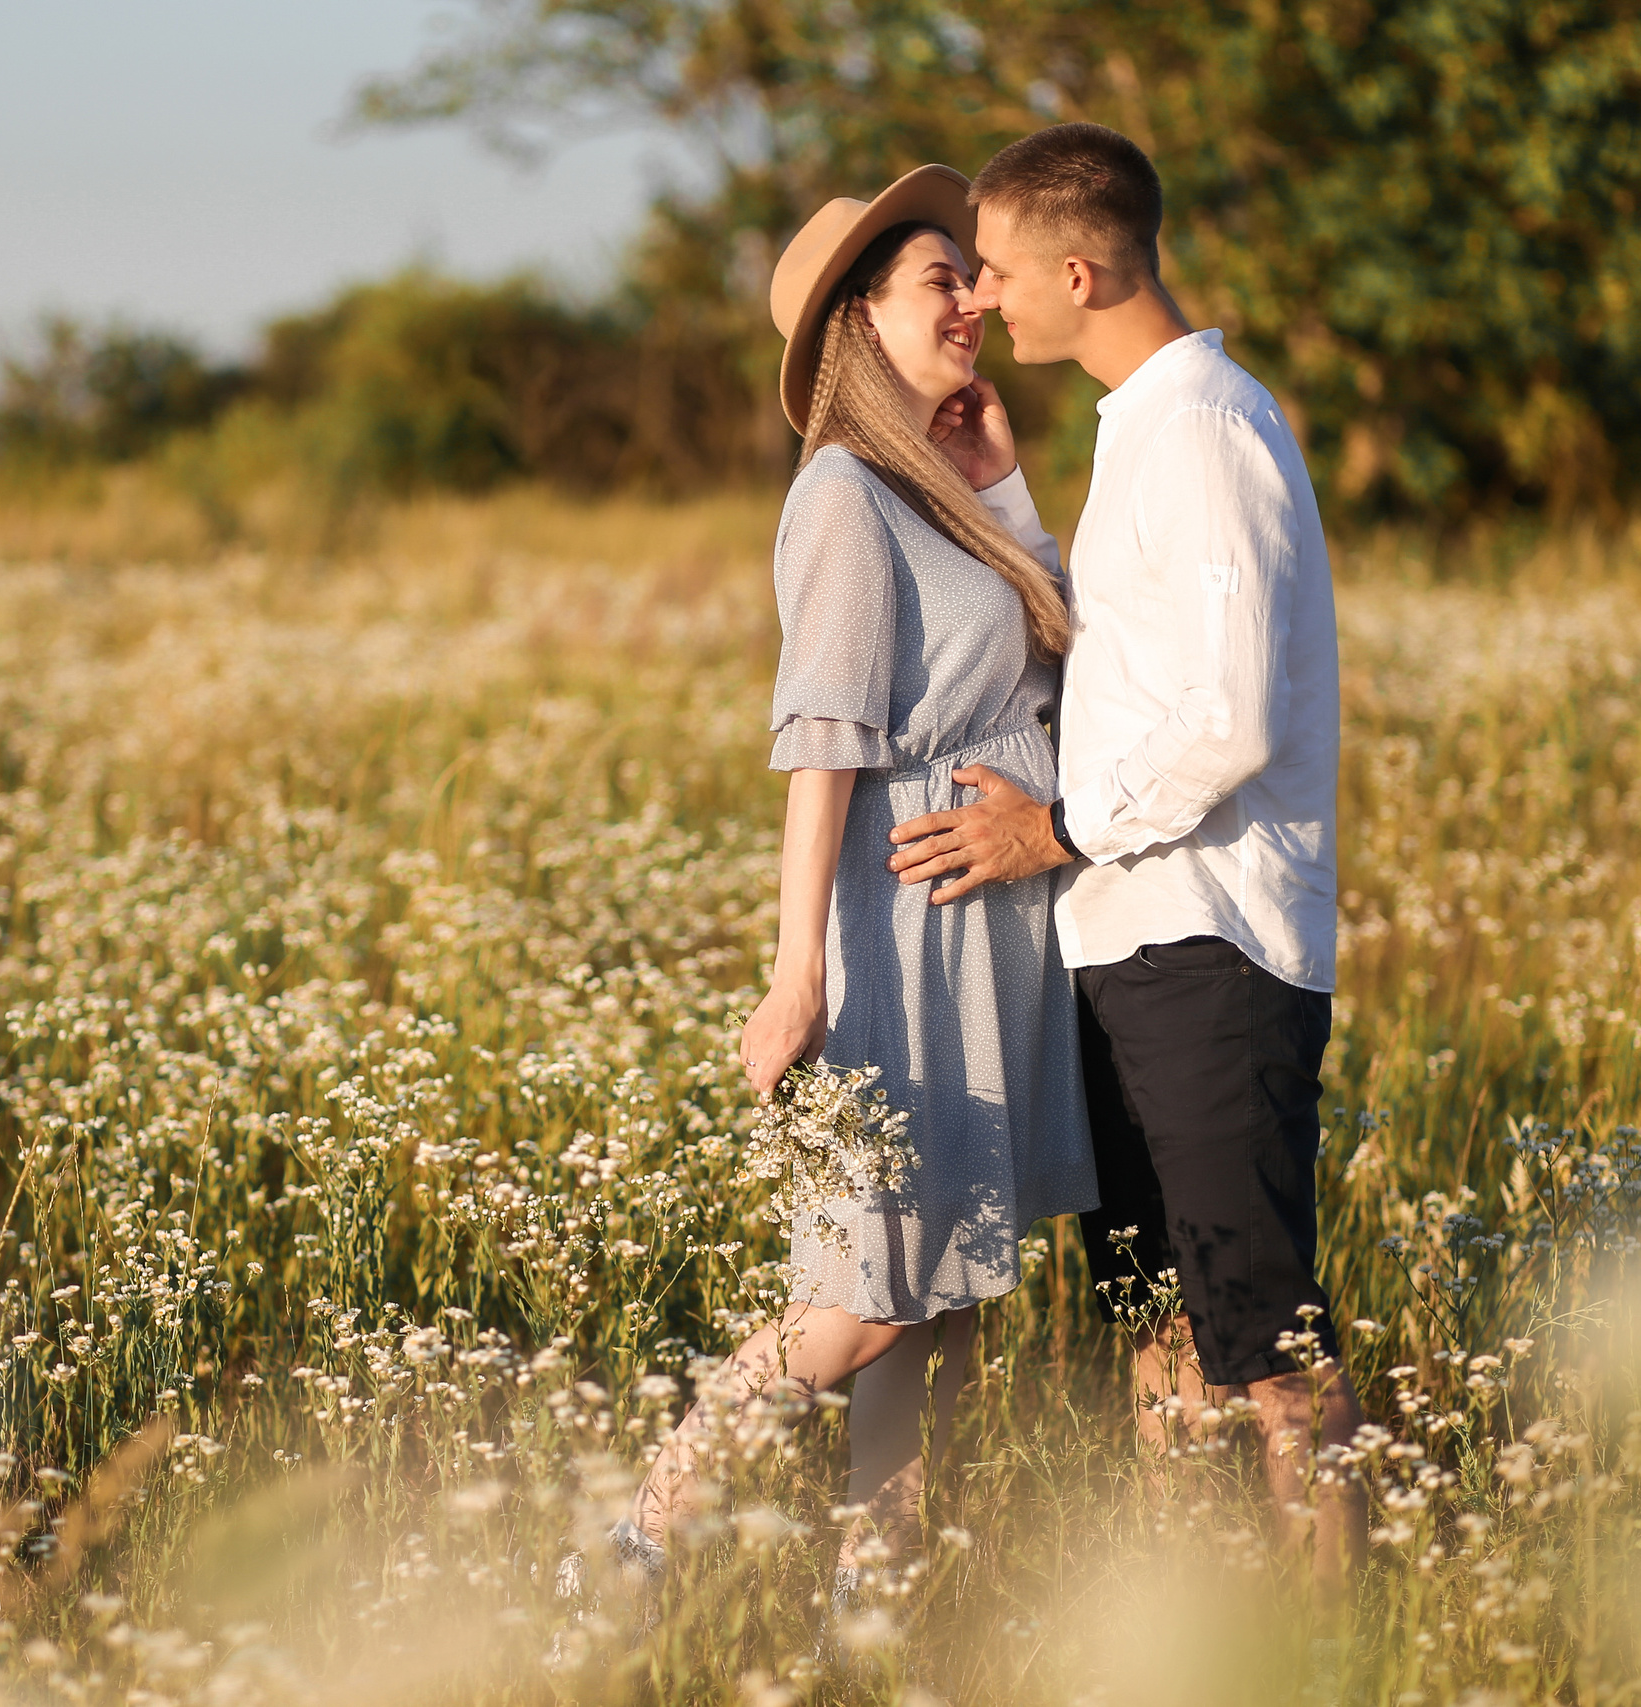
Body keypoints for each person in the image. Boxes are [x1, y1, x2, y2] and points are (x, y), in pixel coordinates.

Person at [564, 164, 1098, 1613]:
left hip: (988, 929)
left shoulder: (944, 496)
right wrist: (799, 970)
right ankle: (632, 1544)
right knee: (864, 1298)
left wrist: (1008, 484)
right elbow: (822, 746)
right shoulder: (847, 496)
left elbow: (1065, 657)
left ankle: (880, 1597)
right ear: (861, 323)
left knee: (941, 1305)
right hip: (899, 935)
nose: (976, 303)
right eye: (944, 281)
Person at [885, 123, 1370, 1603]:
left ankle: (1348, 1647)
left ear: (1081, 272)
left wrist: (1053, 833)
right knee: (1160, 1328)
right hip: (1126, 943)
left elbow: (1225, 718)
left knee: (1264, 1340)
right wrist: (1014, 500)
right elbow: (1128, 668)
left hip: (1207, 945)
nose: (981, 303)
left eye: (1002, 273)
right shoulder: (1138, 430)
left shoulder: (1212, 427)